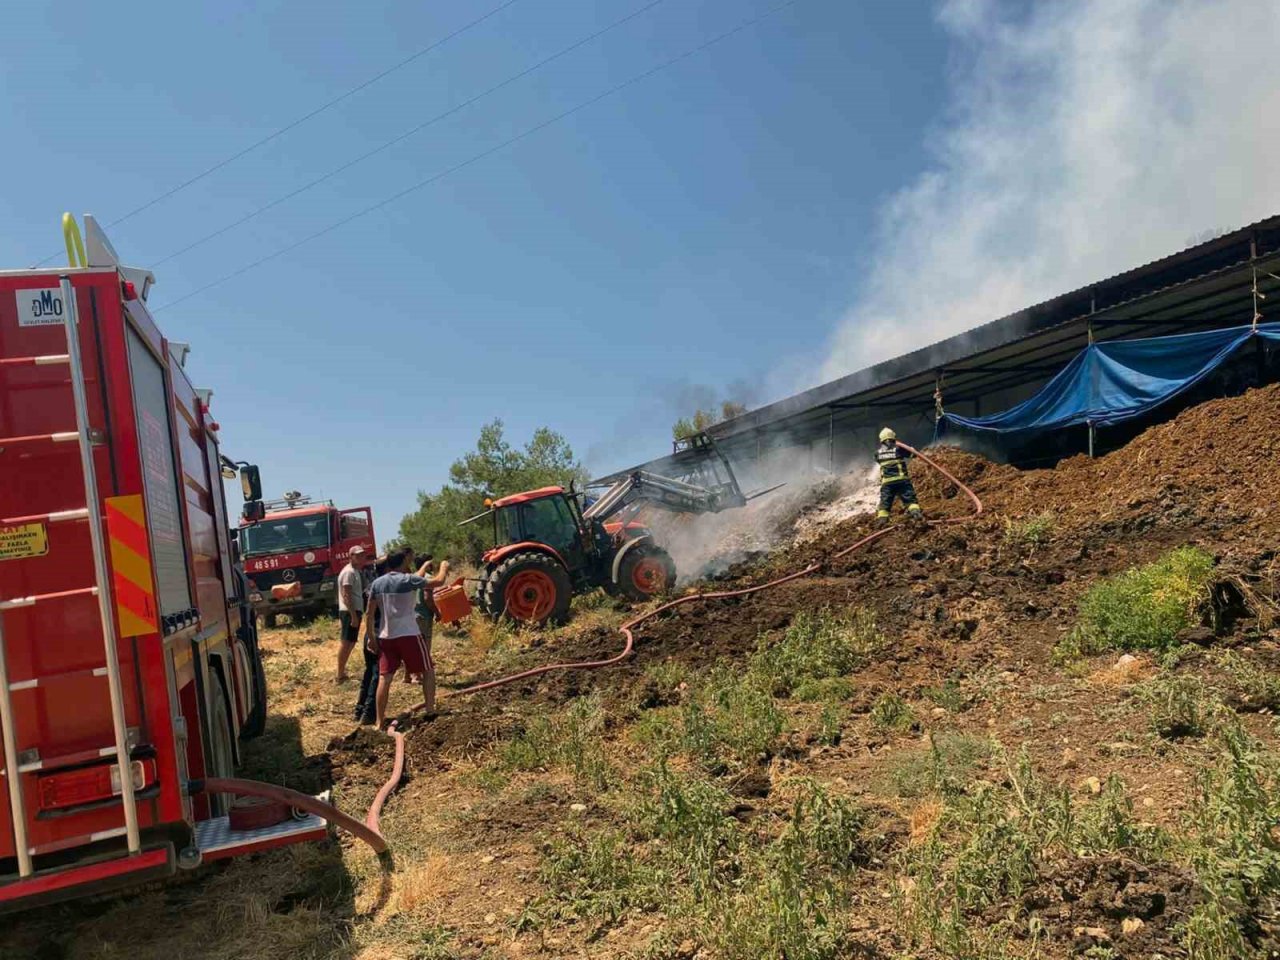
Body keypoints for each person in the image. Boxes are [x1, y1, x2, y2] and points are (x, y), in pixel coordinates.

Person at [363, 550, 449, 729]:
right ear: (403, 561)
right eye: (408, 560)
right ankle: (430, 710)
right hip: (409, 634)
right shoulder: (408, 580)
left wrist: (371, 638)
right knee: (427, 670)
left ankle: (379, 722)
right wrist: (444, 567)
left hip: (386, 637)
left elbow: (369, 614)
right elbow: (438, 581)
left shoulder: (377, 584)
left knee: (384, 678)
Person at [353, 554, 386, 724]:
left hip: (370, 633)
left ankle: (359, 710)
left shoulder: (371, 586)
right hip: (377, 633)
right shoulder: (384, 587)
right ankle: (368, 714)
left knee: (368, 672)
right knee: (376, 673)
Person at [875, 427, 924, 525]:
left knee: (885, 502)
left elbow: (880, 460)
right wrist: (911, 450)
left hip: (887, 483)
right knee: (909, 498)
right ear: (893, 438)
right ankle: (916, 514)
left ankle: (882, 521)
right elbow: (913, 455)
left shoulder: (877, 453)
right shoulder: (899, 449)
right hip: (902, 481)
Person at [335, 546, 369, 683]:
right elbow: (346, 595)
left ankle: (342, 672)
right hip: (349, 612)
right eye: (358, 555)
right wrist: (353, 615)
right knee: (346, 642)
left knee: (351, 642)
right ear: (351, 556)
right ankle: (339, 674)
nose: (362, 558)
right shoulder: (348, 572)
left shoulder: (355, 571)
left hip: (354, 611)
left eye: (362, 555)